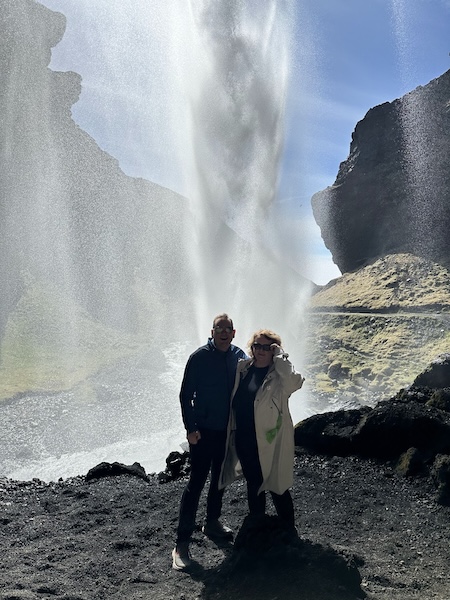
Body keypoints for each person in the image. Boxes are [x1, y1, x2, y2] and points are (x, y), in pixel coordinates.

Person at [172, 313, 247, 571]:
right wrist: (190, 428)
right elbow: (185, 395)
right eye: (219, 328)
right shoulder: (199, 357)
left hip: (227, 432)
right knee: (195, 484)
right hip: (202, 432)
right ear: (212, 331)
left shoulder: (239, 356)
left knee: (219, 479)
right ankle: (181, 545)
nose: (224, 332)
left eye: (228, 328)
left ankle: (212, 522)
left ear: (234, 332)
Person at [219, 329, 304, 531]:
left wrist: (281, 354)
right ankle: (256, 526)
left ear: (274, 349)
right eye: (257, 346)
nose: (261, 350)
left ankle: (288, 531)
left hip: (270, 440)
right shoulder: (244, 369)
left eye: (267, 347)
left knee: (277, 485)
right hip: (244, 437)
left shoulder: (280, 377)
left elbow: (295, 382)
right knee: (254, 483)